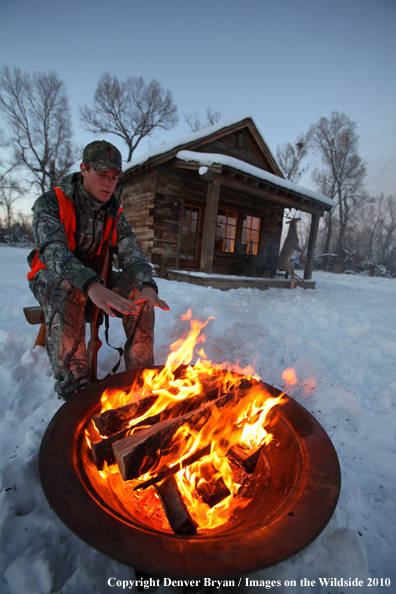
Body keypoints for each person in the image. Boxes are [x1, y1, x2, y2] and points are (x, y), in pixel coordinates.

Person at [27, 140, 169, 399]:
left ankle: (141, 382)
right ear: (83, 169)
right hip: (51, 275)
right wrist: (91, 286)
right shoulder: (51, 203)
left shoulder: (115, 213)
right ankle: (75, 391)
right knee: (70, 290)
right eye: (102, 175)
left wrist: (147, 286)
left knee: (139, 294)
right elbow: (53, 251)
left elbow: (131, 254)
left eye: (114, 177)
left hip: (97, 279)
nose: (109, 183)